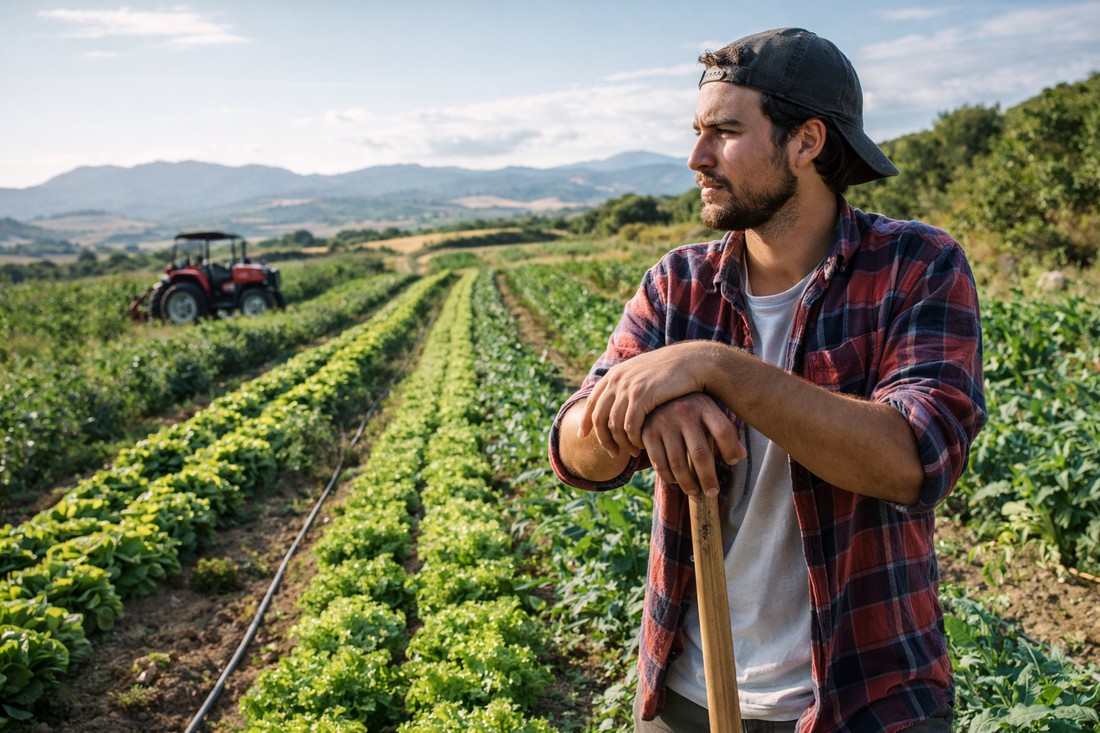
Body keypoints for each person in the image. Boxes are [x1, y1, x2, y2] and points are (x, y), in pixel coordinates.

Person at [547, 27, 987, 732]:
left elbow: (912, 459)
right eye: (698, 132)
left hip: (868, 698)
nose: (697, 158)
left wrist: (717, 369)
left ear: (807, 141)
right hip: (687, 694)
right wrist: (644, 409)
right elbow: (573, 449)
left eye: (724, 131)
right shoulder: (678, 284)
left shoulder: (916, 265)